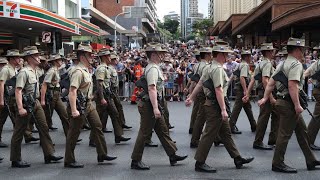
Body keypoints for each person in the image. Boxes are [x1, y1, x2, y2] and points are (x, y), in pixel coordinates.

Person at [185, 45, 254, 173]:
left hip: (212, 104)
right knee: (209, 134)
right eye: (225, 54)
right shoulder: (217, 69)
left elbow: (200, 83)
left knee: (226, 134)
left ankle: (237, 158)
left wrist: (191, 97)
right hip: (215, 105)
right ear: (220, 55)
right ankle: (200, 162)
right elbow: (218, 89)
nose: (227, 57)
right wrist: (223, 109)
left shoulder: (209, 67)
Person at [259, 37, 320, 173]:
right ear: (298, 50)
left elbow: (271, 82)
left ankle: (310, 160)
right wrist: (297, 105)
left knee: (302, 133)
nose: (304, 52)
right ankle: (278, 163)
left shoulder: (282, 64)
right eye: (303, 50)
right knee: (284, 134)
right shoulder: (296, 65)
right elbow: (293, 86)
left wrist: (264, 98)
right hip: (289, 104)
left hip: (283, 101)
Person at [131, 43, 187, 170]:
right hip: (149, 105)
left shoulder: (154, 67)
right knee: (144, 132)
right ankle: (135, 160)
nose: (163, 55)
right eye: (160, 53)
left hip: (153, 103)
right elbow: (151, 88)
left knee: (162, 130)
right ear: (154, 54)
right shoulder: (153, 69)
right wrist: (156, 108)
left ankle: (172, 154)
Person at [64, 44, 117, 168]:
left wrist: (92, 97)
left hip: (88, 104)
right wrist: (73, 110)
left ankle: (102, 154)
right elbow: (72, 91)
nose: (92, 57)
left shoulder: (87, 70)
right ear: (83, 57)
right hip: (78, 106)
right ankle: (69, 160)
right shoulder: (78, 71)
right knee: (74, 133)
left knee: (98, 126)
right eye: (89, 55)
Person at [11, 46, 63, 168]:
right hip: (26, 104)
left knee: (43, 127)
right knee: (19, 131)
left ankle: (49, 154)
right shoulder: (24, 72)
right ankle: (15, 159)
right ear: (29, 58)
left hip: (35, 102)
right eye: (36, 55)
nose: (39, 57)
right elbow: (18, 91)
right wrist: (20, 108)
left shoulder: (35, 70)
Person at [243, 44, 279, 150]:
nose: (273, 53)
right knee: (265, 117)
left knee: (274, 115)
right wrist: (270, 97)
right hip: (266, 92)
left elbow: (254, 79)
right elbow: (265, 80)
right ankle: (259, 141)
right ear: (268, 52)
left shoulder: (260, 63)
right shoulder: (267, 64)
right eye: (272, 51)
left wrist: (248, 94)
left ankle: (272, 139)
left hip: (262, 92)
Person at [94, 48, 131, 144]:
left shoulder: (106, 68)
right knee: (99, 118)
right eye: (108, 56)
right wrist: (102, 98)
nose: (110, 58)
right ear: (104, 57)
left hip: (108, 94)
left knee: (114, 114)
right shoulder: (101, 69)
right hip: (103, 95)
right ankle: (93, 139)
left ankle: (118, 135)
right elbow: (99, 84)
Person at [40, 54, 70, 138]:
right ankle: (44, 140)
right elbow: (44, 85)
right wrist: (42, 100)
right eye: (59, 60)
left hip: (57, 95)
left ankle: (70, 136)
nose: (61, 61)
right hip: (51, 95)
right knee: (47, 118)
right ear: (54, 61)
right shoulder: (52, 71)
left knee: (64, 115)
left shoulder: (56, 70)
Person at [229, 49, 256, 134]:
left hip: (238, 88)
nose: (250, 58)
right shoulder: (245, 65)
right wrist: (245, 90)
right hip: (241, 89)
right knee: (237, 108)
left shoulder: (239, 65)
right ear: (247, 57)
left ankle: (254, 125)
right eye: (249, 56)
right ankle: (230, 126)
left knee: (248, 108)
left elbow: (233, 76)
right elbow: (242, 77)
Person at [188, 47, 211, 148]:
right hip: (204, 93)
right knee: (202, 116)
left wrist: (191, 92)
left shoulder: (196, 66)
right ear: (206, 55)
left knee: (198, 113)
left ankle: (217, 137)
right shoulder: (206, 66)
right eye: (210, 54)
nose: (211, 56)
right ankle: (195, 138)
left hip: (198, 91)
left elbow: (194, 80)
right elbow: (203, 82)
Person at [109, 54, 132, 129]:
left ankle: (122, 123)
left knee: (119, 107)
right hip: (109, 90)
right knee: (107, 110)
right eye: (113, 59)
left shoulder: (115, 67)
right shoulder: (108, 68)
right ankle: (100, 127)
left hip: (114, 89)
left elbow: (121, 72)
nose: (115, 61)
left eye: (116, 59)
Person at [304, 48, 320, 151]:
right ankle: (308, 141)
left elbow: (306, 73)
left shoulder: (316, 63)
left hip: (316, 90)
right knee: (317, 117)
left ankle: (308, 140)